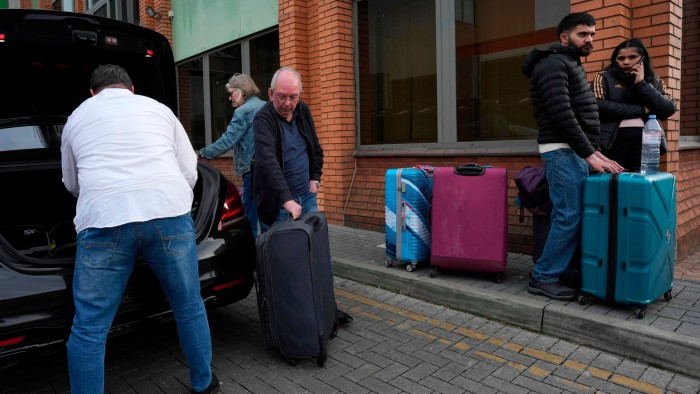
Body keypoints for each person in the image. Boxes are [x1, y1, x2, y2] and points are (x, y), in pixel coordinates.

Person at [61, 64, 219, 394]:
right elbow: (189, 170)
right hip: (168, 213)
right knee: (189, 305)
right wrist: (170, 199)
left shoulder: (77, 117)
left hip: (104, 220)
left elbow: (73, 182)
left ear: (92, 92)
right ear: (131, 88)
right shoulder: (158, 109)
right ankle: (204, 384)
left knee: (89, 328)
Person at [521, 12, 623, 301]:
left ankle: (559, 269)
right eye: (583, 34)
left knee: (569, 214)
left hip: (572, 151)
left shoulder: (568, 64)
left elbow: (576, 113)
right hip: (562, 152)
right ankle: (543, 277)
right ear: (564, 37)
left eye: (592, 33)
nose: (589, 39)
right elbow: (561, 114)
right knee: (568, 215)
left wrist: (593, 151)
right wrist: (589, 153)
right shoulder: (553, 64)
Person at [252, 66, 352, 326]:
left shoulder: (303, 111)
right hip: (277, 203)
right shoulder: (263, 119)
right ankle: (288, 320)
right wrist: (286, 199)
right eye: (282, 97)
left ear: (300, 95)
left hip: (305, 197)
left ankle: (325, 309)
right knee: (283, 263)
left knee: (318, 255)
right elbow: (267, 161)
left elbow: (316, 148)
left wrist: (315, 178)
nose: (287, 104)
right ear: (271, 93)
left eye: (293, 97)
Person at [591, 38, 677, 171]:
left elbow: (668, 109)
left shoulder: (654, 81)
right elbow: (599, 105)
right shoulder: (603, 77)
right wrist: (643, 109)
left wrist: (642, 84)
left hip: (647, 145)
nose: (626, 62)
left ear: (643, 58)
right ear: (615, 60)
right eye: (621, 58)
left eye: (632, 57)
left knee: (640, 185)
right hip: (611, 143)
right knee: (613, 184)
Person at [199, 73, 265, 235]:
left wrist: (203, 153)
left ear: (242, 90)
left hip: (253, 170)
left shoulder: (243, 111)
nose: (229, 98)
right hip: (270, 169)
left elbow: (227, 140)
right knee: (266, 214)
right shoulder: (266, 106)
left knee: (248, 217)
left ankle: (251, 257)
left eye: (231, 93)